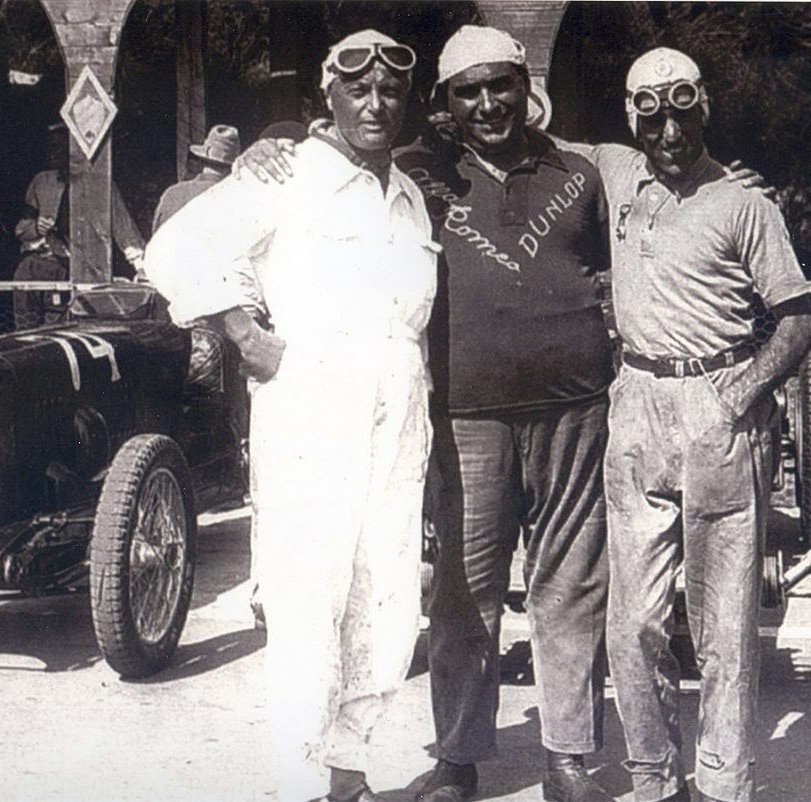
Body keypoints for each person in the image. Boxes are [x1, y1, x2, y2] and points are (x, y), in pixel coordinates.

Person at [241, 24, 616, 802]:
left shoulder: (581, 173)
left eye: (501, 85)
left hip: (574, 411)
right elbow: (330, 156)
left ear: (527, 88)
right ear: (446, 102)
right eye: (468, 92)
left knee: (570, 588)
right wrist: (263, 149)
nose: (488, 104)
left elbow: (630, 243)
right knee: (465, 596)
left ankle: (568, 758)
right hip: (466, 416)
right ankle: (457, 760)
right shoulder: (414, 174)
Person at [144, 29, 437, 802]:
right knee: (309, 594)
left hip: (398, 411)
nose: (375, 105)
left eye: (391, 91)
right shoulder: (287, 173)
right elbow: (174, 251)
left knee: (386, 594)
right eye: (358, 90)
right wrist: (244, 333)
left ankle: (348, 772)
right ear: (327, 96)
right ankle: (302, 779)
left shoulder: (409, 195)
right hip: (312, 405)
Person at [595, 48, 811, 802]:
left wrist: (736, 396)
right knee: (632, 622)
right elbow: (527, 131)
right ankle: (655, 779)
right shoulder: (615, 172)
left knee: (723, 625)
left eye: (683, 111)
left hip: (717, 407)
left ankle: (724, 783)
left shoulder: (746, 205)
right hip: (636, 403)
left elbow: (797, 321)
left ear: (705, 110)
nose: (669, 130)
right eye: (651, 115)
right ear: (632, 120)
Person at [12, 124, 145, 329]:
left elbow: (124, 228)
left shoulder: (101, 186)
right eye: (50, 147)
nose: (51, 153)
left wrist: (141, 266)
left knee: (55, 331)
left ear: (73, 151)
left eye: (58, 147)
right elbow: (21, 229)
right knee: (23, 333)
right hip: (32, 267)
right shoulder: (42, 182)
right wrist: (37, 227)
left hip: (66, 270)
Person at [151, 124, 242, 232]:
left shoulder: (174, 194)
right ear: (234, 166)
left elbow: (157, 237)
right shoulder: (241, 202)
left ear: (201, 160)